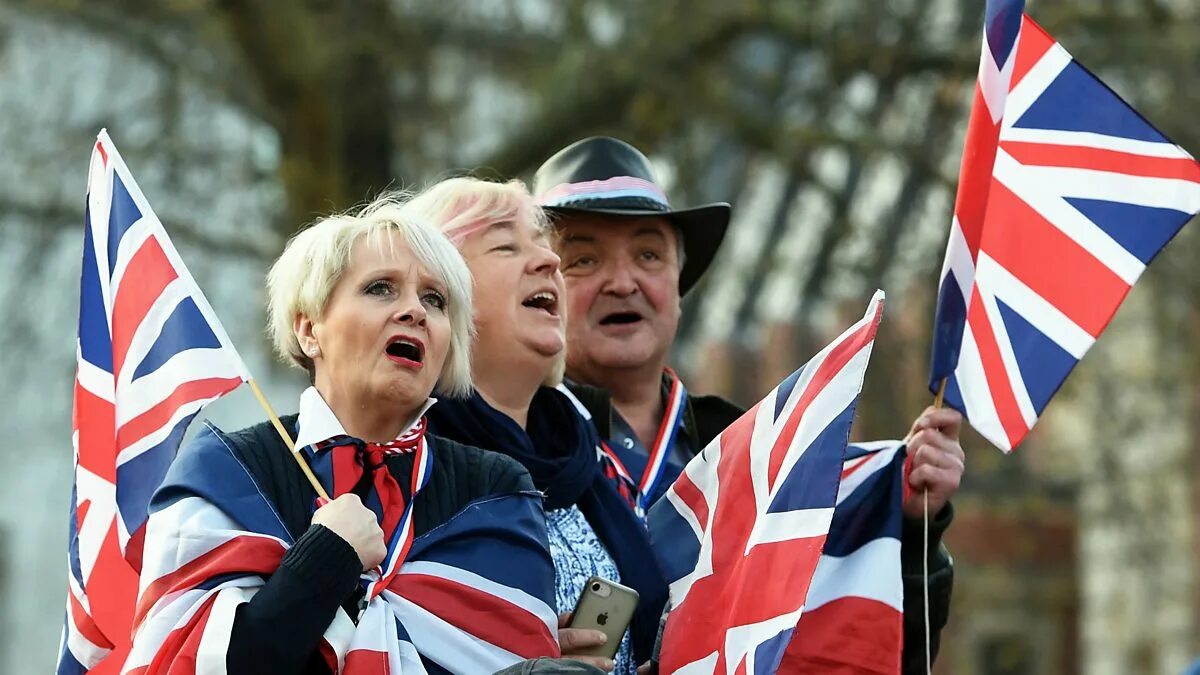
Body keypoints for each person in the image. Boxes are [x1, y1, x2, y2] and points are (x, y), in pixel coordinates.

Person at [533, 136, 965, 672]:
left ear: (678, 281)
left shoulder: (762, 449)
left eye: (648, 254)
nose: (623, 282)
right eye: (583, 259)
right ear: (540, 289)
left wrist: (915, 526)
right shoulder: (506, 442)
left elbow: (867, 637)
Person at [128, 196, 558, 674]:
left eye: (434, 300)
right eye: (381, 288)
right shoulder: (226, 470)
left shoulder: (498, 492)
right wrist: (325, 557)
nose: (414, 311)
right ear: (310, 330)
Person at [404, 178, 668, 674]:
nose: (550, 262)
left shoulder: (595, 463)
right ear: (436, 294)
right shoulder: (402, 470)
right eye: (506, 245)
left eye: (544, 245)